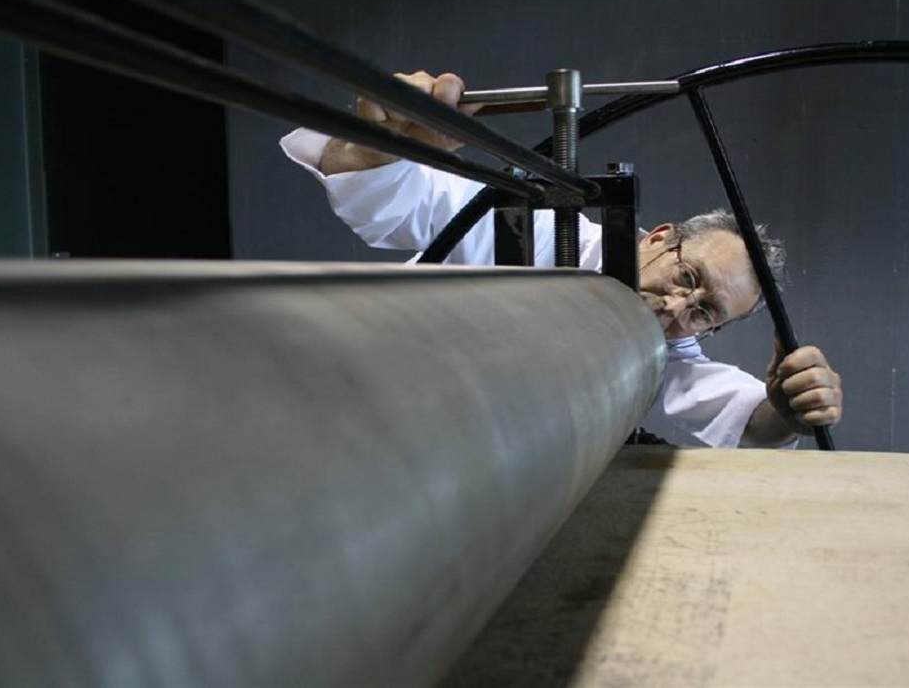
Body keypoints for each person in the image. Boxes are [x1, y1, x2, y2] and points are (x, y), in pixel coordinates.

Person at [280, 71, 843, 448]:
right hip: (342, 399)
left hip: (438, 456)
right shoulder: (532, 231)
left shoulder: (662, 346)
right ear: (658, 237)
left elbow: (745, 417)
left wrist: (789, 410)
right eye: (687, 276)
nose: (677, 307)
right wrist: (377, 143)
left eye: (704, 312)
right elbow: (393, 204)